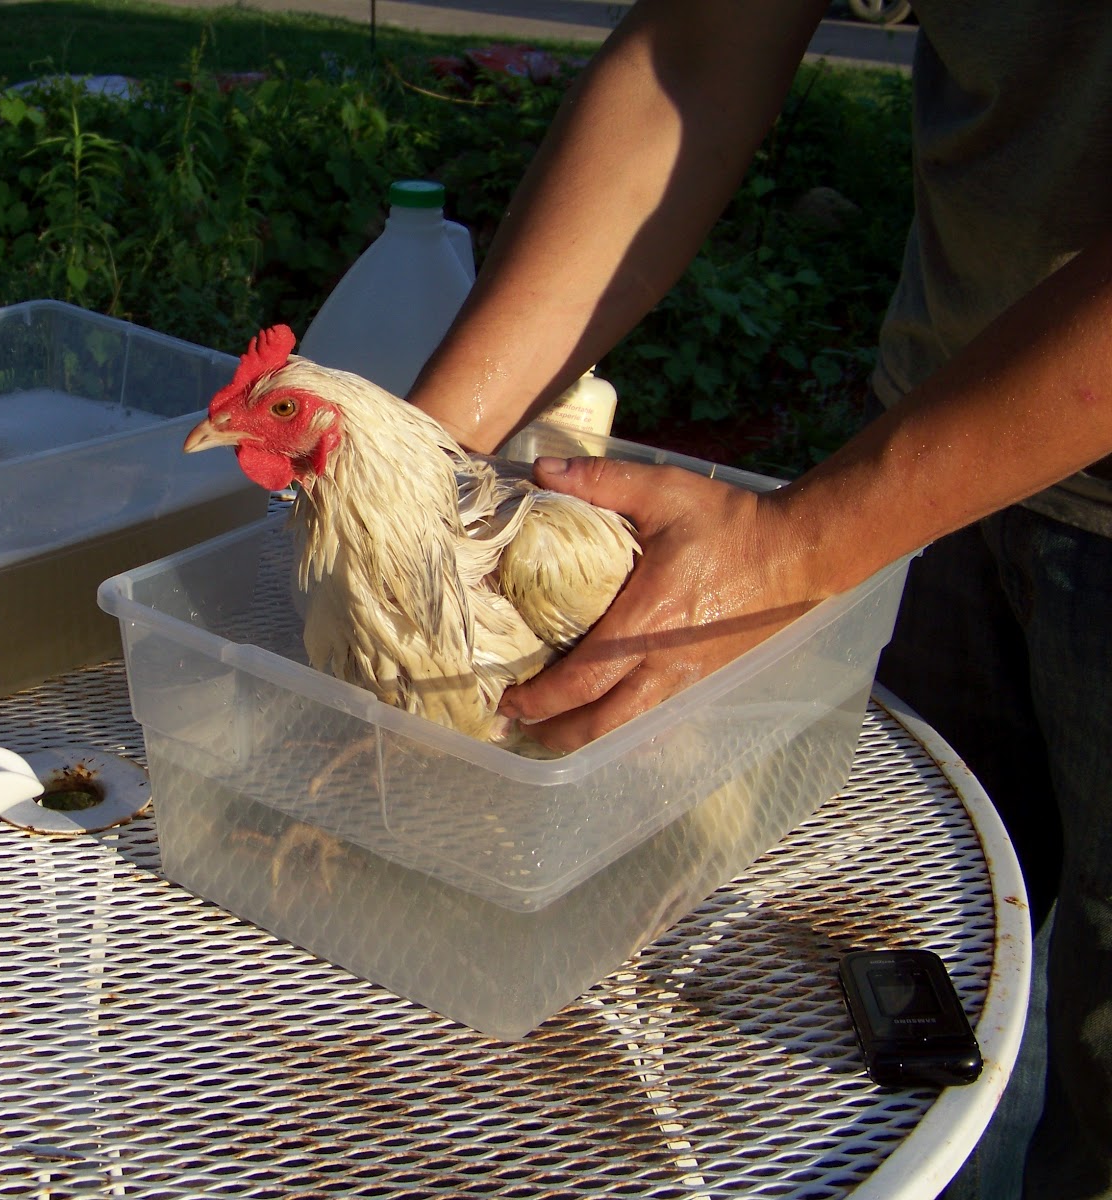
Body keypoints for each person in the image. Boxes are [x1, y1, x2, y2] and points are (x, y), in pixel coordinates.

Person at [404, 2, 1112, 1197]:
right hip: (934, 459)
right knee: (887, 1000)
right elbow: (697, 51)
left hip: (911, 495)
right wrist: (417, 469)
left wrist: (802, 546)